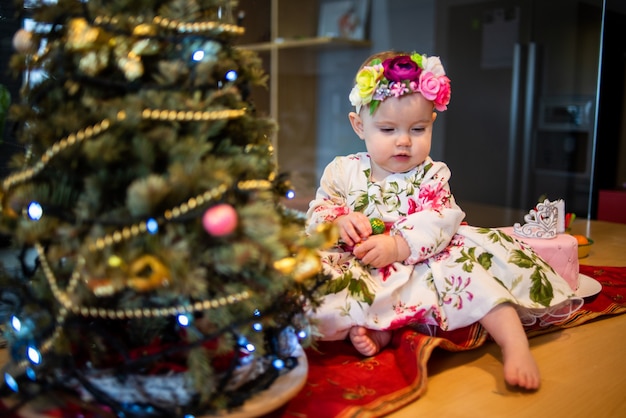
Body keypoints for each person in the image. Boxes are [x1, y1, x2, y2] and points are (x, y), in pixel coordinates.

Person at [305, 50, 583, 390]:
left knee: (475, 276)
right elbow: (320, 210)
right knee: (315, 281)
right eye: (388, 128)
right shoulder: (342, 171)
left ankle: (514, 345)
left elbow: (442, 218)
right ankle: (380, 328)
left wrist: (398, 244)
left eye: (418, 128)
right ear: (359, 125)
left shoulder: (431, 174)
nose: (404, 140)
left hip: (425, 259)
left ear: (432, 122)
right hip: (362, 260)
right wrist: (339, 222)